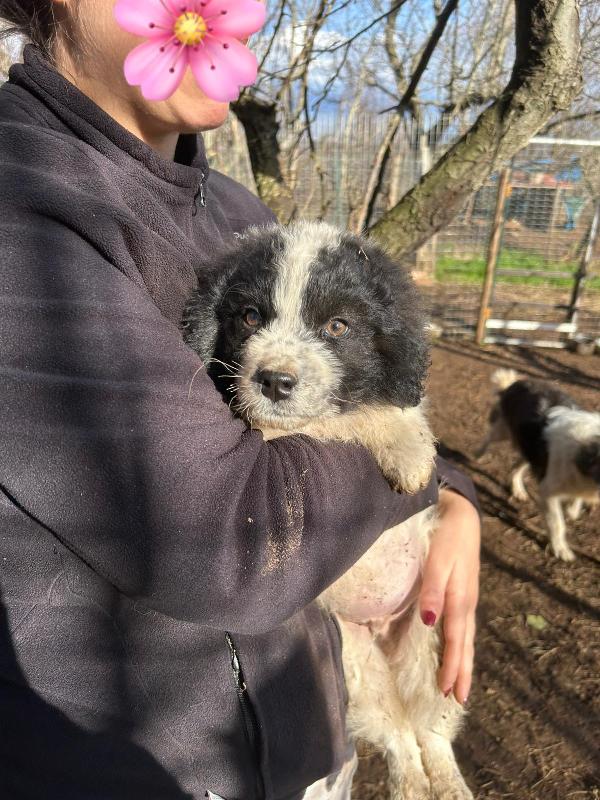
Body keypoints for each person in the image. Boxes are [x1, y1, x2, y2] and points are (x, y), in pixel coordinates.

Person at [0, 2, 481, 798]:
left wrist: (455, 496)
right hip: (135, 769)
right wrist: (414, 476)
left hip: (308, 743)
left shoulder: (233, 209)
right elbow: (232, 542)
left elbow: (352, 381)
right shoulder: (24, 204)